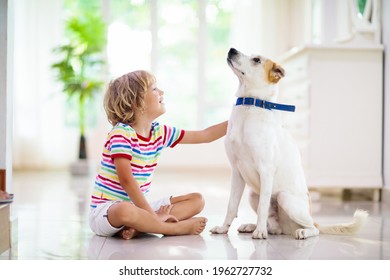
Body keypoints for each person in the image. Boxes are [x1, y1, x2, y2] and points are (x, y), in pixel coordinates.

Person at [89, 70, 228, 240]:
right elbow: (127, 181)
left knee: (197, 200)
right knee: (124, 210)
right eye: (154, 89)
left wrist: (238, 119)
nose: (161, 92)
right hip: (107, 211)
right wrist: (153, 215)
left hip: (139, 208)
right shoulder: (121, 133)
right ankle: (171, 228)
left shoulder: (159, 131)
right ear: (136, 101)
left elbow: (205, 135)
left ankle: (139, 227)